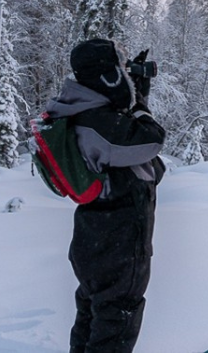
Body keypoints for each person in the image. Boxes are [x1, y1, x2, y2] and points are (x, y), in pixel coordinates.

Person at [45, 38, 167, 353]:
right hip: (119, 243)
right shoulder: (98, 122)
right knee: (117, 318)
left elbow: (152, 170)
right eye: (120, 68)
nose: (125, 74)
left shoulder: (82, 110)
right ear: (107, 75)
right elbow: (152, 140)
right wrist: (138, 101)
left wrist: (131, 99)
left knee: (93, 310)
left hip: (96, 240)